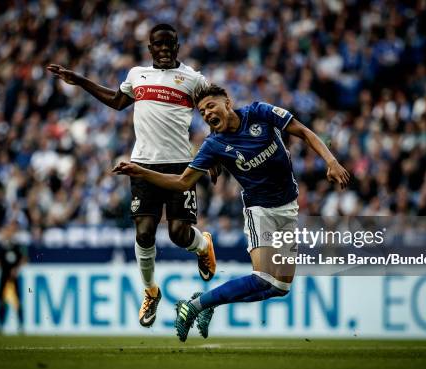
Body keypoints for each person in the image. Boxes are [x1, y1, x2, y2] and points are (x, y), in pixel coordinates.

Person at [113, 84, 350, 341]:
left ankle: (206, 302)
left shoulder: (259, 112)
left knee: (280, 286)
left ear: (227, 101)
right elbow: (183, 183)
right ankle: (192, 307)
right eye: (202, 112)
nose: (206, 114)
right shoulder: (214, 144)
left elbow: (303, 132)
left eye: (210, 106)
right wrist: (141, 172)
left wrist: (332, 161)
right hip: (261, 211)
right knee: (262, 278)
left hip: (289, 207)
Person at [47, 24, 216, 327]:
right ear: (149, 49)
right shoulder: (137, 75)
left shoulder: (193, 79)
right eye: (158, 45)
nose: (163, 49)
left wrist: (214, 152)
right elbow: (116, 101)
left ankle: (203, 246)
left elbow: (212, 110)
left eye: (169, 45)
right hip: (143, 166)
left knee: (179, 235)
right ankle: (151, 291)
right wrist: (80, 81)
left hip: (180, 167)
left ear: (177, 48)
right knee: (144, 232)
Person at [0, 220, 27, 334]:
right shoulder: (1, 245)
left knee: (17, 301)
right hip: (4, 276)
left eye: (11, 230)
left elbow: (24, 258)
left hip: (13, 278)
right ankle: (0, 326)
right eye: (7, 230)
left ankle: (21, 326)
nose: (9, 233)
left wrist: (17, 269)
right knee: (2, 301)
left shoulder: (17, 245)